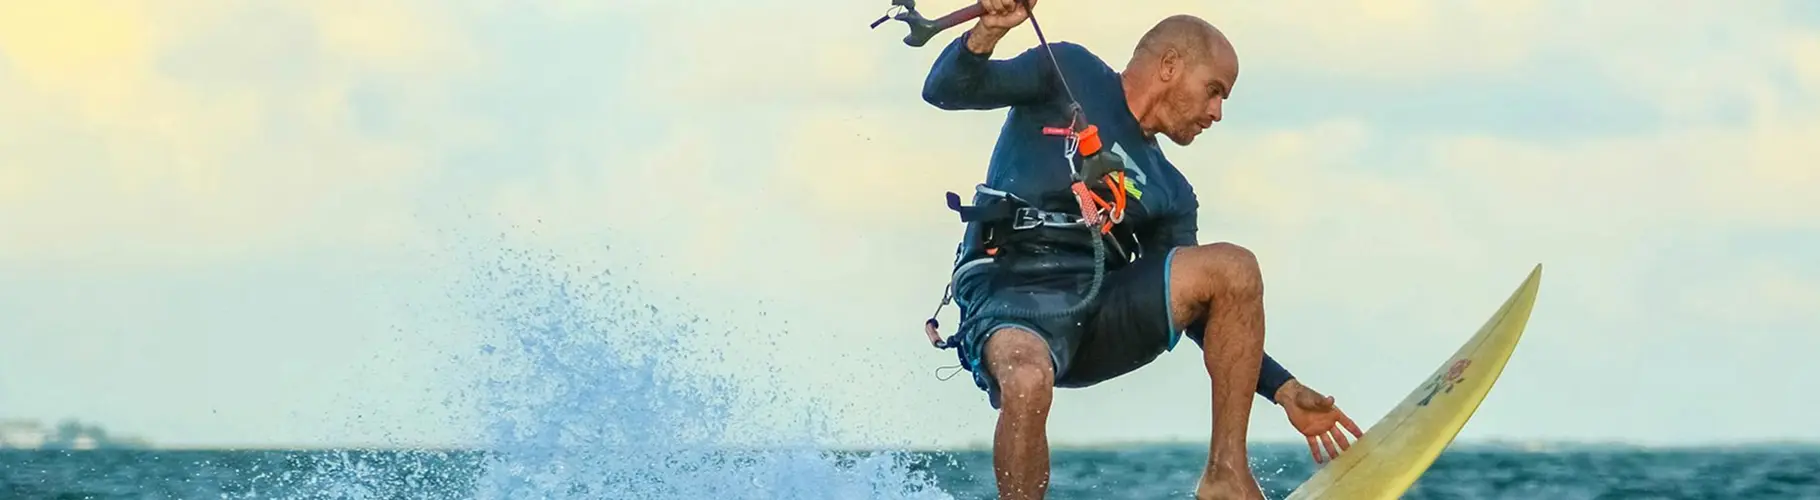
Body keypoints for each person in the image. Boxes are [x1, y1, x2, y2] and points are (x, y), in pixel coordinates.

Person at [918, 1, 1366, 499]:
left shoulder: (1170, 191)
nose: (1217, 113)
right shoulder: (1071, 71)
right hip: (1009, 294)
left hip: (1093, 312)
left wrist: (1282, 389)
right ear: (1170, 66)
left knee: (1232, 269)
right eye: (1214, 91)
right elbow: (944, 89)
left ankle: (1226, 476)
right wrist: (989, 30)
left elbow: (1206, 315)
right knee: (1026, 380)